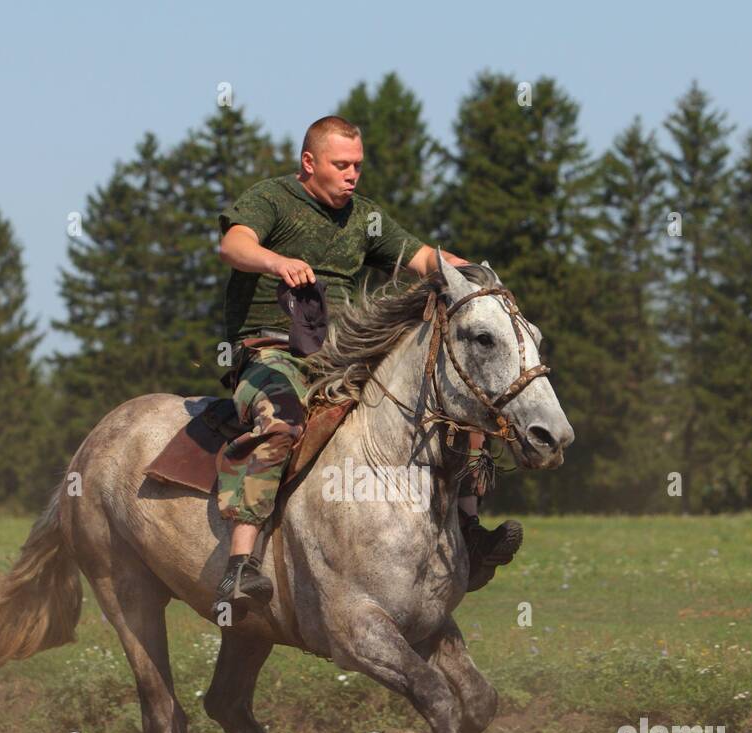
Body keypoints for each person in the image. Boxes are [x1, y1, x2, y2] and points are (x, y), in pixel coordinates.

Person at [214, 114, 523, 610]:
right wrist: (277, 261)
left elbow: (423, 258)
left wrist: (477, 276)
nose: (352, 175)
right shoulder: (271, 199)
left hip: (341, 356)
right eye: (341, 165)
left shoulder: (365, 217)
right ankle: (240, 565)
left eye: (357, 165)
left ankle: (468, 530)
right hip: (269, 350)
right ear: (309, 162)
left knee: (456, 410)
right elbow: (233, 244)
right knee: (281, 423)